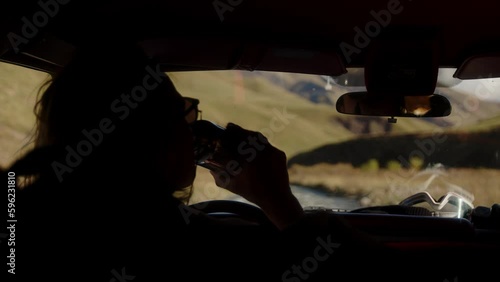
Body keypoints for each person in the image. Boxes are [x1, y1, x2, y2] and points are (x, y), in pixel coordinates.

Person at [7, 40, 429, 282]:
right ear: (153, 136)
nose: (195, 127)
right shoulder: (192, 248)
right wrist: (280, 203)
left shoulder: (19, 219)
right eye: (184, 113)